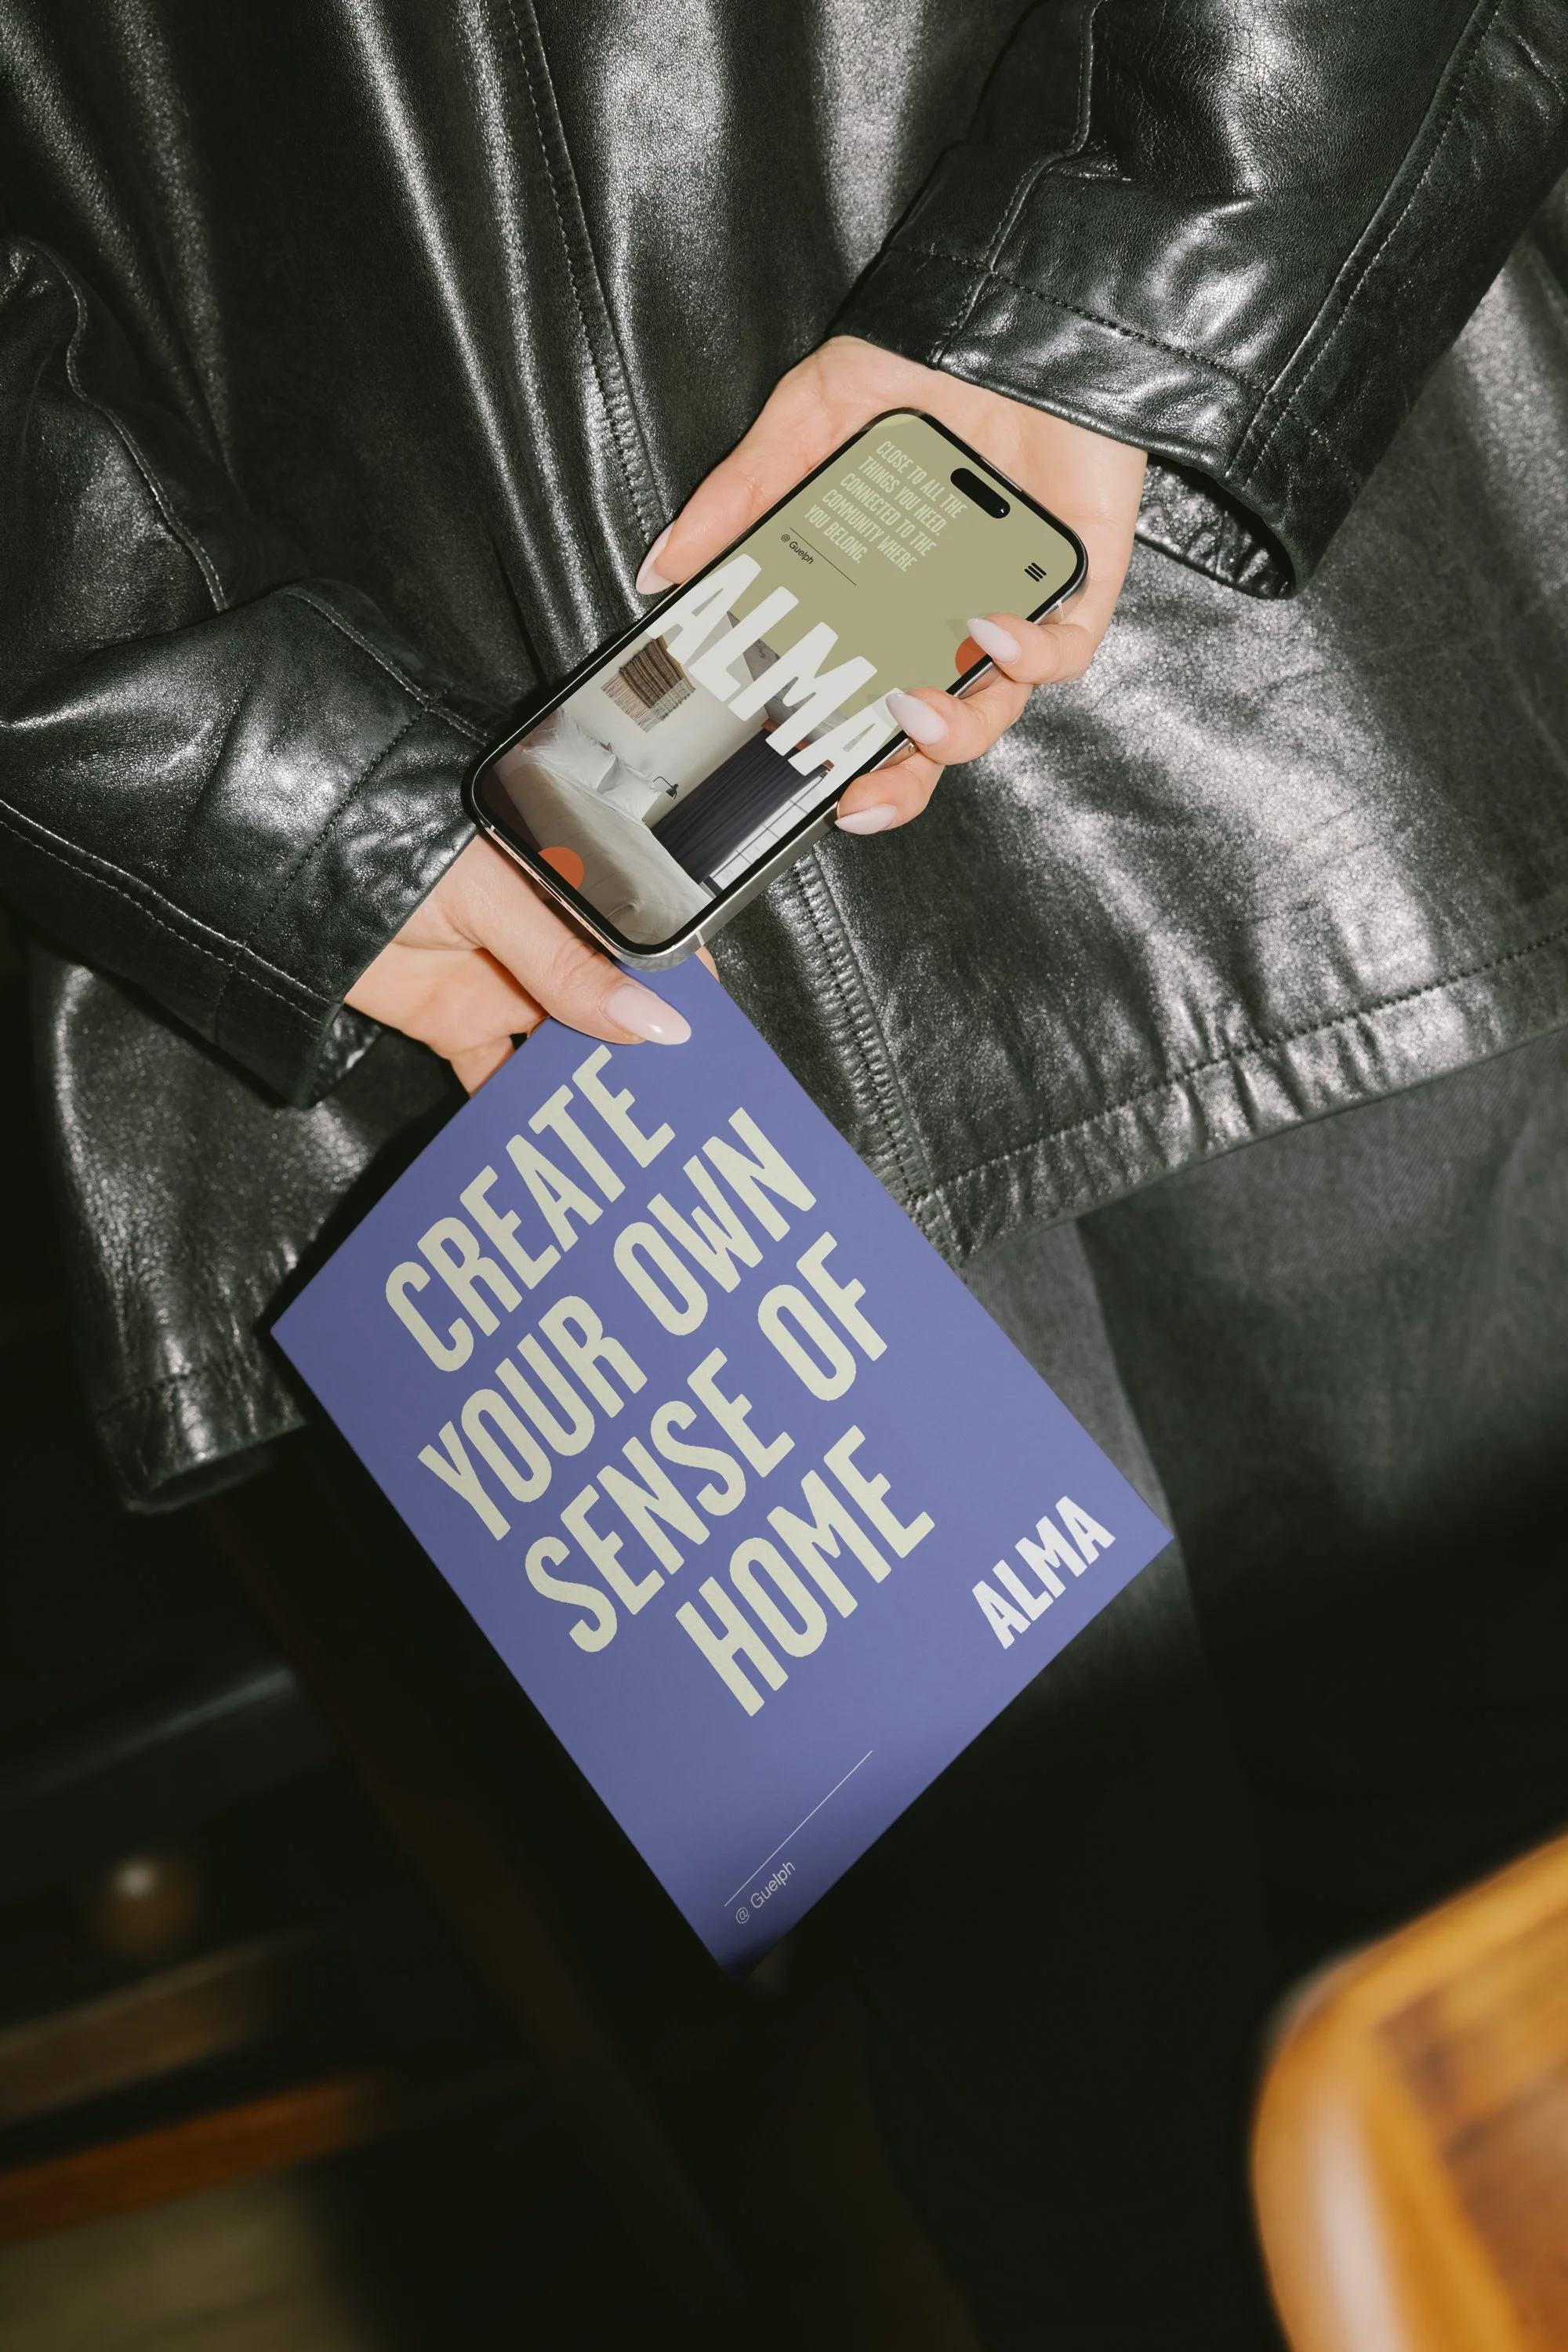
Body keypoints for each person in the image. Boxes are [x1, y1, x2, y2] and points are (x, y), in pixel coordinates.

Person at [3, 5, 1566, 2341]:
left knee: (1497, 1904)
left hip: (1218, 627)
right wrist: (235, 763)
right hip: (500, 935)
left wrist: (1134, 297)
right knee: (1088, 2051)